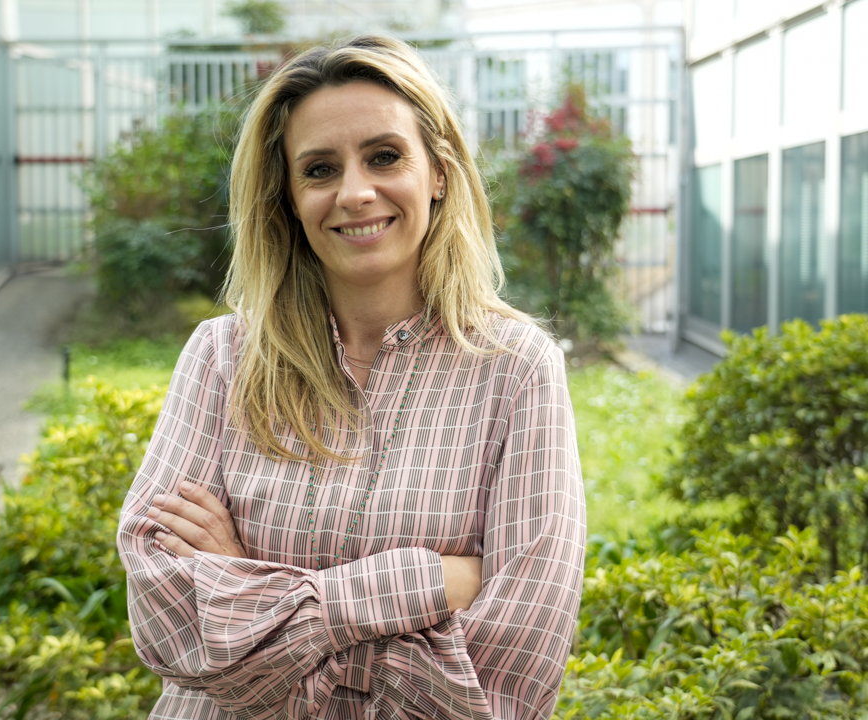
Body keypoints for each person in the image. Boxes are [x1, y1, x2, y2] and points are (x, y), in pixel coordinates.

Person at [116, 35, 586, 720]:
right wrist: (422, 583)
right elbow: (169, 620)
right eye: (319, 169)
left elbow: (510, 678)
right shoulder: (221, 357)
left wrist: (246, 597)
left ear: (439, 172)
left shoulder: (516, 369)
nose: (355, 192)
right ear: (288, 196)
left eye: (384, 156)